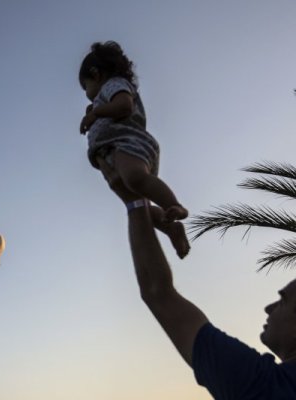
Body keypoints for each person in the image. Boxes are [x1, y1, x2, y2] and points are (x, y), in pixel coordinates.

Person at [99, 158, 296, 399]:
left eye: (284, 301)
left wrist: (134, 201)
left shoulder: (261, 385)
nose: (268, 307)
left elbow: (158, 293)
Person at [78, 41, 189, 258]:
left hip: (128, 143)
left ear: (96, 74)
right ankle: (170, 226)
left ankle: (174, 205)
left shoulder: (115, 84)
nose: (87, 94)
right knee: (139, 203)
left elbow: (124, 106)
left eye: (86, 86)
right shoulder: (104, 96)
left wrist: (96, 113)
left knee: (135, 179)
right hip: (113, 151)